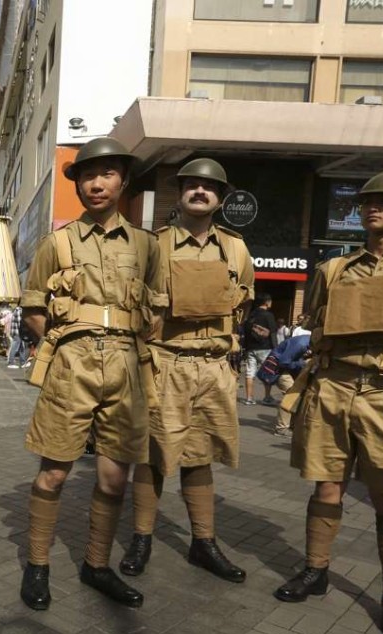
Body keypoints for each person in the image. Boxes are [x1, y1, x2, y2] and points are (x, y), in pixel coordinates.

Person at [17, 137, 164, 611]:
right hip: (71, 367)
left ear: (123, 181)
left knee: (113, 480)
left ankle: (96, 565)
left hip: (127, 368)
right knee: (53, 474)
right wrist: (61, 345)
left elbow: (158, 308)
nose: (96, 184)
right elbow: (32, 305)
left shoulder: (147, 245)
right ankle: (38, 565)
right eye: (87, 175)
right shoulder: (55, 243)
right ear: (77, 184)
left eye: (106, 174)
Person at [275, 170, 383, 634]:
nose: (372, 208)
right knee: (327, 486)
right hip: (333, 385)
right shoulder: (333, 270)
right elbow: (314, 324)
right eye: (367, 201)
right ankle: (316, 571)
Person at [117, 158, 253, 584]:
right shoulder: (153, 245)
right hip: (165, 363)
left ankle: (203, 542)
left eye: (208, 187)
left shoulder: (236, 249)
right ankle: (142, 538)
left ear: (221, 198)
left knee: (202, 457)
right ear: (180, 193)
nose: (199, 191)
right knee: (153, 457)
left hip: (213, 367)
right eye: (191, 184)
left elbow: (243, 305)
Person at [271, 332, 311, 437]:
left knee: (298, 395)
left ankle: (292, 425)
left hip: (290, 370)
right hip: (280, 370)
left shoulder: (309, 343)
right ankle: (281, 428)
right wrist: (302, 363)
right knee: (290, 394)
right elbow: (284, 362)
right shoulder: (302, 344)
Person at [242, 293, 277, 404]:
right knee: (268, 372)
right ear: (267, 302)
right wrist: (276, 349)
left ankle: (249, 398)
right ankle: (267, 397)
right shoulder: (268, 315)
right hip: (265, 348)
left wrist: (246, 348)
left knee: (249, 373)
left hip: (250, 348)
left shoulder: (251, 315)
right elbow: (273, 332)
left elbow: (246, 332)